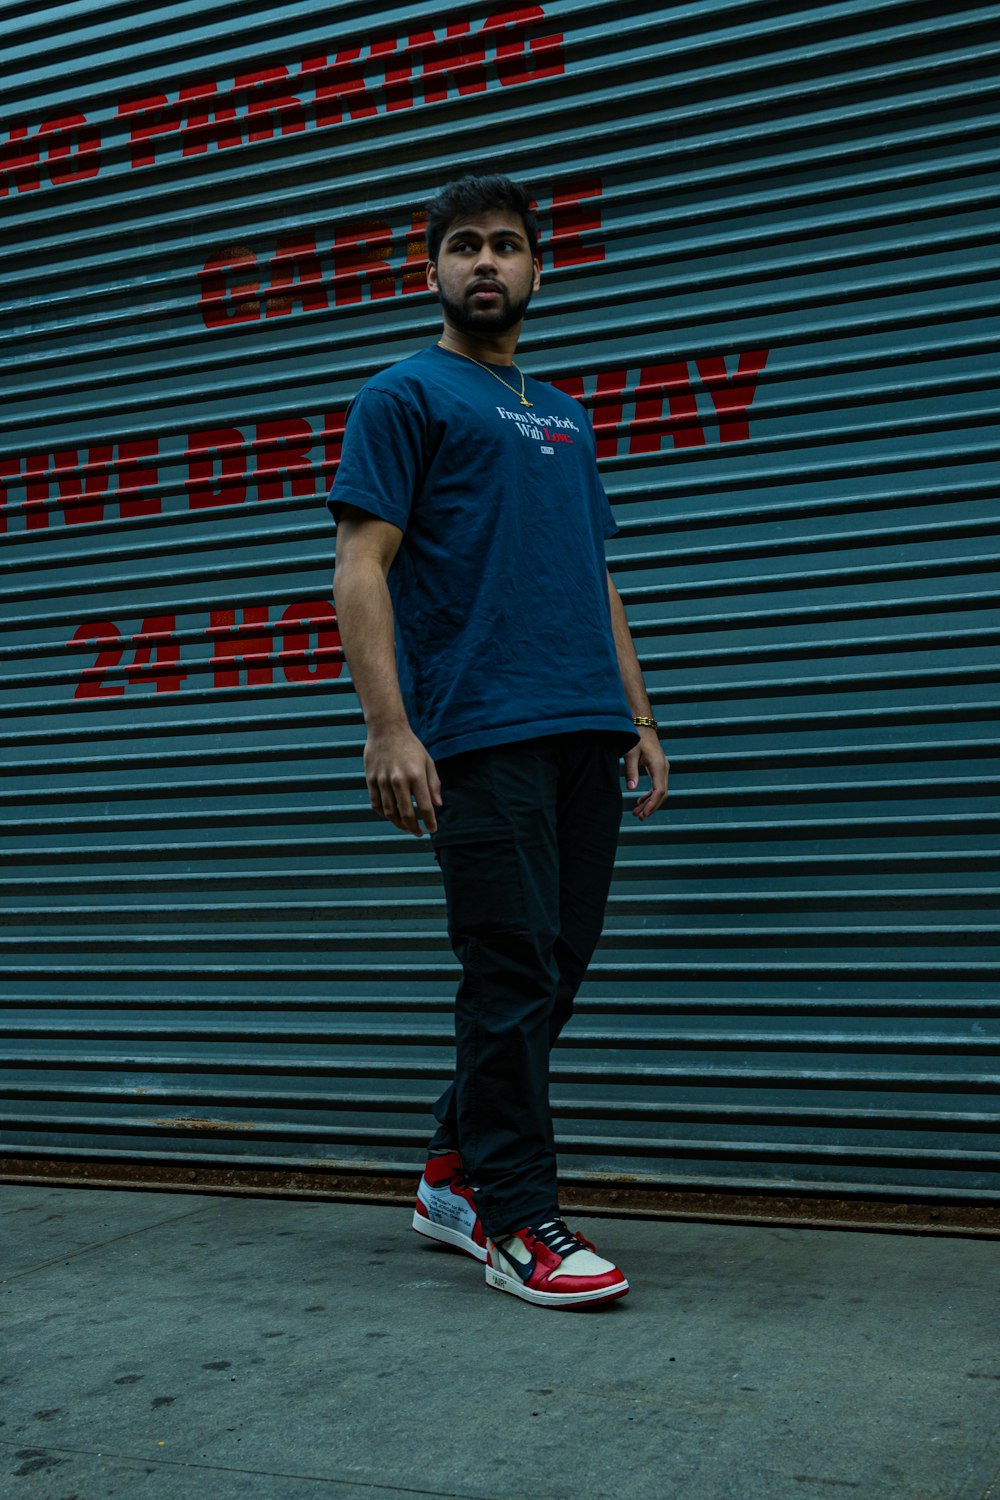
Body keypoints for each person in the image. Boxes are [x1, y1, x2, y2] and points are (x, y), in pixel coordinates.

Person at [328, 174, 668, 1310]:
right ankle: (519, 1220)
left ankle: (449, 1169)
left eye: (507, 246)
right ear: (430, 269)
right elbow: (360, 566)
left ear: (537, 269)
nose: (487, 263)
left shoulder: (564, 414)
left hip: (584, 725)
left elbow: (596, 572)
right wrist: (389, 727)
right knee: (510, 965)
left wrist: (641, 715)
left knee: (554, 966)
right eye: (465, 245)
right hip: (477, 729)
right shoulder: (402, 396)